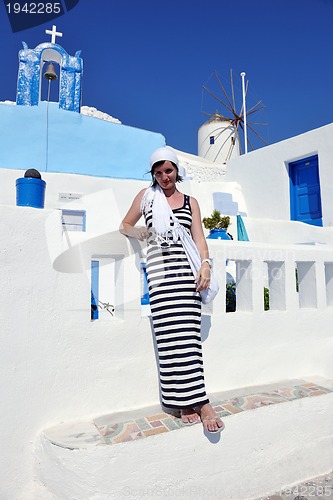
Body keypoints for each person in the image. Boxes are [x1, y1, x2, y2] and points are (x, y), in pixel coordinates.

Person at [119, 146, 224, 433]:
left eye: (168, 171)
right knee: (169, 339)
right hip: (161, 276)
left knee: (189, 338)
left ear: (177, 170)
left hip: (187, 274)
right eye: (158, 172)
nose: (164, 177)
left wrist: (205, 265)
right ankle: (181, 402)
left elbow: (199, 237)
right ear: (152, 174)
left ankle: (200, 402)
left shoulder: (191, 201)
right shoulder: (146, 197)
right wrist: (137, 231)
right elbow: (124, 224)